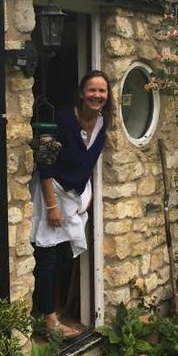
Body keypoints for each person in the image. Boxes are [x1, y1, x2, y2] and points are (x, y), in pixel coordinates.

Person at [30, 70, 113, 338]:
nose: (97, 96)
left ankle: (55, 308)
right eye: (92, 90)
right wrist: (52, 206)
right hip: (51, 190)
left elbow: (87, 163)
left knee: (63, 253)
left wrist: (85, 196)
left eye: (102, 91)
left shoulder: (102, 123)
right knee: (47, 255)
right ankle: (49, 319)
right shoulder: (63, 119)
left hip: (74, 195)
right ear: (81, 93)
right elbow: (44, 161)